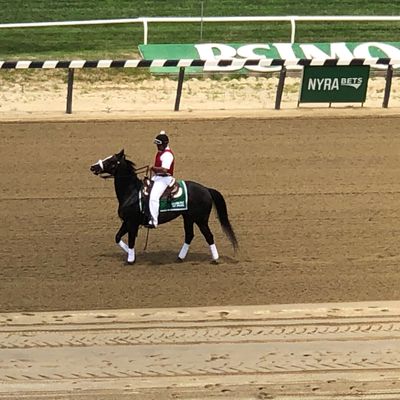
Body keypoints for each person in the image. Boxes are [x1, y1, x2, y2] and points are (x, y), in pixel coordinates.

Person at [147, 130, 175, 228]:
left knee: (154, 197)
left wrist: (153, 168)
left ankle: (154, 221)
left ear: (164, 144)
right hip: (157, 177)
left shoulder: (167, 155)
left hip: (164, 179)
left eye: (159, 145)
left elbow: (164, 169)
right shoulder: (161, 152)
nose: (157, 147)